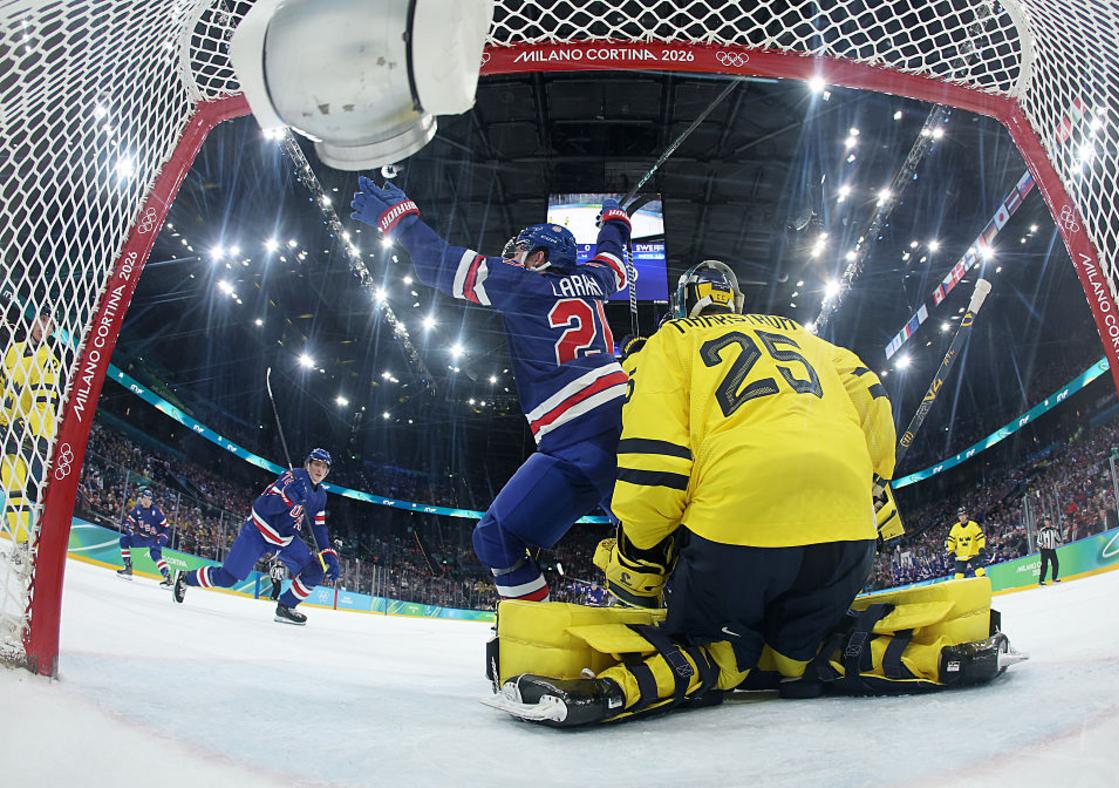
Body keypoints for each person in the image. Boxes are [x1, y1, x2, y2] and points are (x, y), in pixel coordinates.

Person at [495, 261, 918, 724]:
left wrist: (639, 562)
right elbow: (872, 395)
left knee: (715, 649)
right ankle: (819, 652)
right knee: (799, 652)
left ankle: (649, 678)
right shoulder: (807, 337)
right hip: (847, 536)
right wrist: (875, 482)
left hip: (739, 532)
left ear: (682, 303)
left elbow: (654, 468)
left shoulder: (668, 343)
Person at [351, 180, 631, 602]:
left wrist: (402, 221)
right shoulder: (596, 280)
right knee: (650, 543)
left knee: (499, 541)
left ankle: (536, 636)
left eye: (520, 251)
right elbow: (614, 261)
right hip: (616, 423)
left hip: (577, 431)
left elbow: (439, 264)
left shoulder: (523, 284)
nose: (511, 258)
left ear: (539, 259)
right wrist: (615, 221)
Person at [172, 449, 340, 626]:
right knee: (227, 578)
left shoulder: (321, 495)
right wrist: (286, 498)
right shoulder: (291, 477)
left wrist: (328, 553)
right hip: (259, 532)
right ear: (308, 464)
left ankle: (286, 607)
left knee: (316, 570)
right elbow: (263, 506)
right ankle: (186, 578)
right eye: (316, 464)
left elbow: (319, 527)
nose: (319, 470)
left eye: (324, 467)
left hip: (285, 541)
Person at [1, 305, 60, 542]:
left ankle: (21, 542)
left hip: (20, 431)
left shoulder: (50, 362)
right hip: (4, 421)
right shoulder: (13, 350)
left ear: (52, 331)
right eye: (42, 319)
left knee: (13, 480)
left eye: (49, 324)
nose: (43, 326)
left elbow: (44, 403)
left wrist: (39, 435)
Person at [115, 487, 172, 587]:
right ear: (141, 499)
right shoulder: (137, 509)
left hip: (154, 539)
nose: (146, 501)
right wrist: (128, 526)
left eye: (148, 499)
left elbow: (166, 527)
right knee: (124, 540)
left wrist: (163, 538)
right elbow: (129, 521)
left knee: (155, 555)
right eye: (144, 498)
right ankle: (128, 568)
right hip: (141, 537)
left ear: (151, 501)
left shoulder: (156, 511)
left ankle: (168, 578)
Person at [946, 506, 987, 578]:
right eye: (960, 515)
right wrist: (950, 551)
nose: (962, 517)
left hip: (973, 554)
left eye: (963, 515)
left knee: (980, 572)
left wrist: (981, 547)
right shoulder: (955, 528)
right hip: (961, 556)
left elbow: (980, 538)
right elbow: (951, 541)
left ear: (966, 515)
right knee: (958, 576)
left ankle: (984, 587)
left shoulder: (973, 525)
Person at [1036, 515, 1063, 585]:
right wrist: (1043, 545)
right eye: (1046, 522)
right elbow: (1038, 541)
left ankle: (1054, 579)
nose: (1047, 523)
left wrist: (1060, 542)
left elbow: (1058, 538)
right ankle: (1041, 580)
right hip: (1044, 550)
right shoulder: (1042, 530)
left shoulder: (1054, 530)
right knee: (1044, 565)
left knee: (1055, 563)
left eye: (1048, 522)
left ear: (1050, 522)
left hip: (1052, 549)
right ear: (1044, 523)